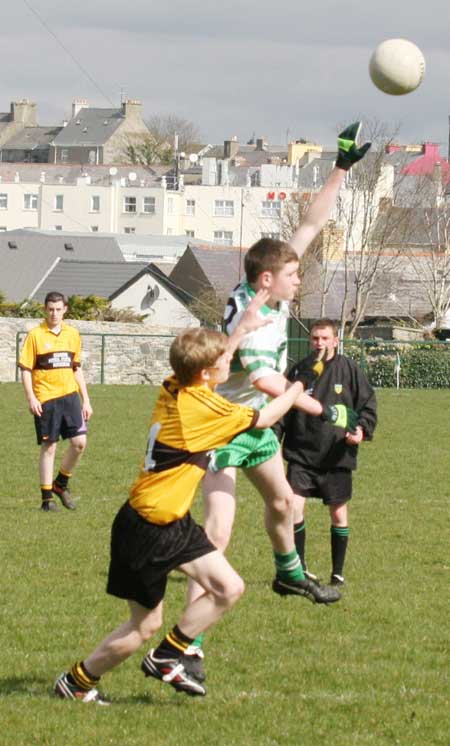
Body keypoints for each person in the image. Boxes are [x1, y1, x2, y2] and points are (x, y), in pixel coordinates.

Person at [53, 292, 308, 703]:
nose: (232, 363)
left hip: (171, 521)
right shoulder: (206, 411)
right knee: (143, 626)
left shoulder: (176, 385)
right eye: (225, 363)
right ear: (207, 373)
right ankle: (78, 682)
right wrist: (296, 386)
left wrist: (240, 327)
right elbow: (267, 417)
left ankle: (168, 655)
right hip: (147, 530)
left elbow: (218, 357)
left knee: (229, 587)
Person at [185, 122, 371, 673]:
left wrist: (341, 168)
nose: (299, 278)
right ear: (268, 280)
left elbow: (312, 224)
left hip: (255, 427)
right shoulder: (257, 322)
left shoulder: (265, 295)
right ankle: (187, 645)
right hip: (225, 425)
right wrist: (313, 403)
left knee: (286, 503)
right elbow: (266, 382)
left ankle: (288, 574)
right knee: (217, 534)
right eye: (292, 274)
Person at [276, 319, 377, 587]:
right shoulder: (299, 370)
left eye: (324, 338)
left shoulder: (349, 369)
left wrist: (361, 431)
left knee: (338, 514)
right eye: (315, 339)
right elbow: (282, 409)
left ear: (335, 341)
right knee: (294, 508)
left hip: (336, 455)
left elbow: (367, 405)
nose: (319, 343)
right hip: (301, 455)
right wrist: (274, 438)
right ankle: (299, 570)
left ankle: (338, 573)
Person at [19, 291, 92, 512]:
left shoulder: (73, 334)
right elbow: (26, 369)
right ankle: (46, 500)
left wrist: (86, 400)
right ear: (45, 310)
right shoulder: (35, 335)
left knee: (80, 443)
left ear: (65, 310)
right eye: (50, 309)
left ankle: (61, 484)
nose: (54, 313)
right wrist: (31, 397)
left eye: (58, 309)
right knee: (49, 446)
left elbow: (76, 368)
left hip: (70, 397)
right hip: (46, 398)